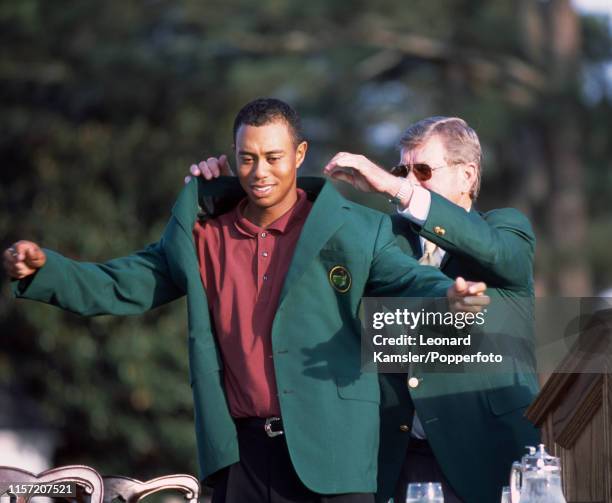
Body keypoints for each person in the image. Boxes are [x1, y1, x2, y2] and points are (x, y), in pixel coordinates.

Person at [3, 100, 488, 503]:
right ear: (234, 157)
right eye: (248, 157)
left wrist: (448, 295)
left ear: (299, 154)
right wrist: (50, 270)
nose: (260, 172)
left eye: (274, 157)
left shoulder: (356, 228)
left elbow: (406, 279)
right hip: (242, 460)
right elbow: (121, 283)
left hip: (337, 458)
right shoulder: (201, 235)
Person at [323, 116, 540, 503]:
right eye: (402, 170)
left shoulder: (507, 228)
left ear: (467, 176)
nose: (409, 180)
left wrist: (394, 187)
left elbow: (497, 255)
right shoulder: (384, 239)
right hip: (403, 458)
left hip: (488, 454)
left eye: (422, 170)